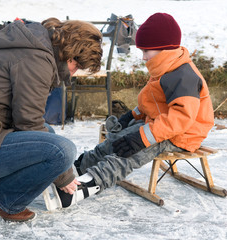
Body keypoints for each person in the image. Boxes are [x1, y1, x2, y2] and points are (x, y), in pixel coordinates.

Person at [0, 17, 103, 222]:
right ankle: (3, 198)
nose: (74, 73)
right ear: (70, 55)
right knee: (62, 151)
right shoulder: (36, 60)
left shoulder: (33, 47)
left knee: (49, 135)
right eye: (77, 66)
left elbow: (28, 121)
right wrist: (65, 177)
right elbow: (29, 123)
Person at [63, 12, 215, 207]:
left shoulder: (183, 76)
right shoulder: (165, 67)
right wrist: (131, 116)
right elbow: (153, 103)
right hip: (161, 125)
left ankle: (89, 185)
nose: (143, 58)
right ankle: (79, 168)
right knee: (118, 140)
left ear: (164, 49)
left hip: (182, 135)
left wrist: (141, 138)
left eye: (146, 51)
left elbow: (181, 119)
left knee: (128, 152)